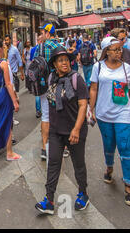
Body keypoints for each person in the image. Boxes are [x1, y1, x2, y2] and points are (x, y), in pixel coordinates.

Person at [35, 47, 90, 214]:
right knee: (53, 163)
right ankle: (49, 200)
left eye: (66, 59)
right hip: (56, 131)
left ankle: (83, 194)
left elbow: (83, 105)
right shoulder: (51, 78)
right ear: (54, 64)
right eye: (60, 60)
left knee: (78, 164)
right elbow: (47, 101)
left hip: (75, 130)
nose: (64, 62)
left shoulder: (76, 79)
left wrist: (76, 129)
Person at [89, 36, 130, 206]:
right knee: (109, 146)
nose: (119, 52)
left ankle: (128, 184)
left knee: (124, 148)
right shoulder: (97, 66)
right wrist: (90, 109)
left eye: (120, 49)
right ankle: (109, 168)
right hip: (104, 114)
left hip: (125, 113)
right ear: (106, 51)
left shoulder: (127, 68)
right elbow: (93, 89)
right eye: (115, 49)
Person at [34, 23, 62, 160]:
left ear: (48, 33)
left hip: (42, 85)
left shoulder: (37, 48)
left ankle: (44, 148)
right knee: (59, 113)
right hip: (56, 84)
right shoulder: (57, 47)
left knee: (45, 115)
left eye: (42, 32)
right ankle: (62, 147)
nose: (41, 35)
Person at [30, 35, 44, 118]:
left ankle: (38, 110)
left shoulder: (33, 49)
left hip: (36, 73)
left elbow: (32, 60)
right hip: (44, 73)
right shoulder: (44, 48)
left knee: (37, 93)